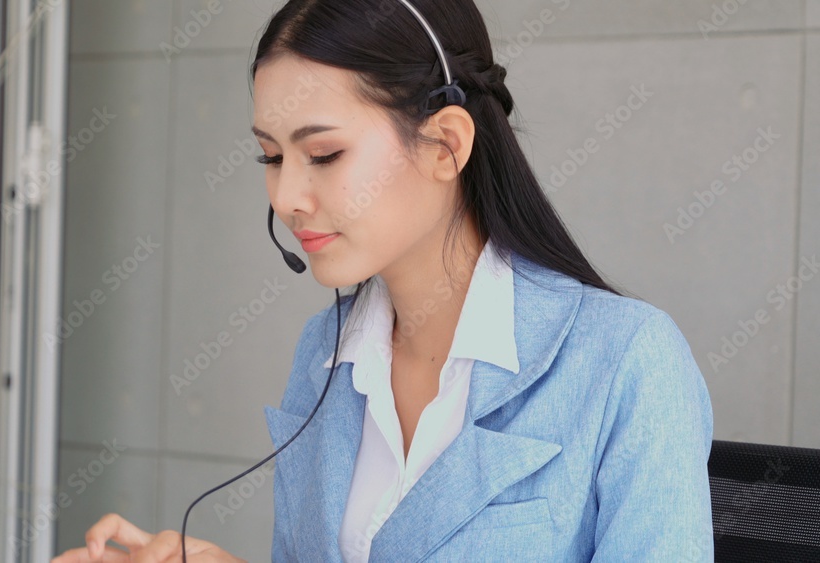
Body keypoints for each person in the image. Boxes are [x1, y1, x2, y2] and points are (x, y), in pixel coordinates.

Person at [53, 0, 714, 561]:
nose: (286, 195)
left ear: (445, 145)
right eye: (272, 155)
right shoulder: (325, 356)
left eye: (323, 154)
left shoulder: (628, 361)